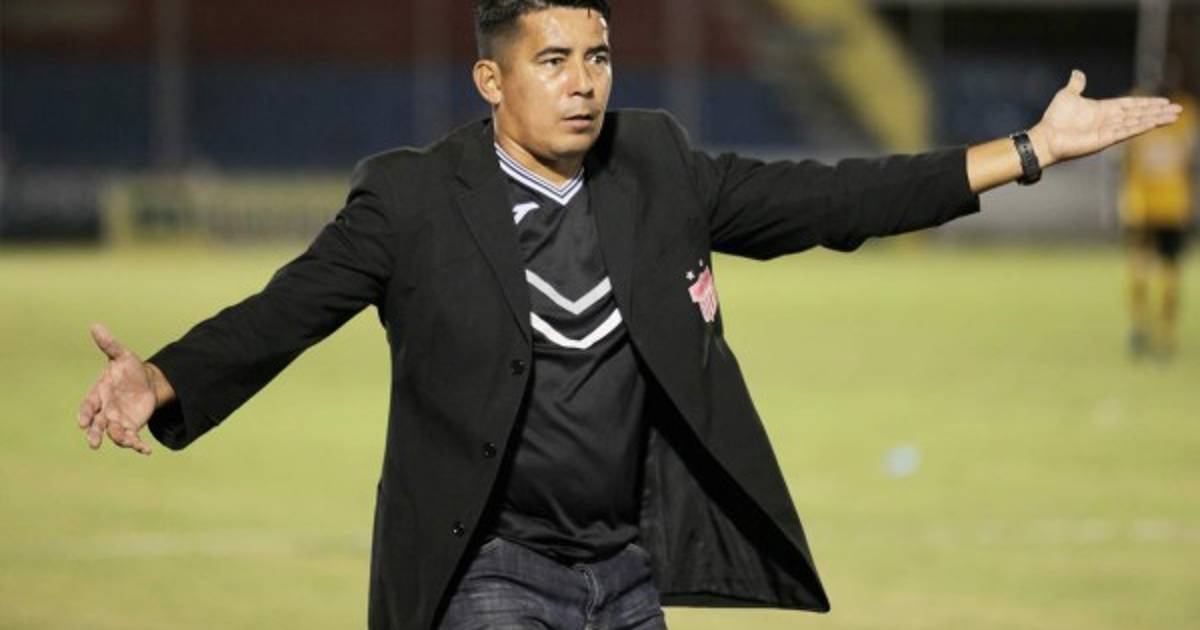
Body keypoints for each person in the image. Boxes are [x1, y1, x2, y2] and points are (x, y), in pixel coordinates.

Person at [75, 1, 1182, 628]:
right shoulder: (414, 198)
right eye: (553, 61)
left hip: (626, 570)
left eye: (598, 57)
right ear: (490, 82)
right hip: (488, 571)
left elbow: (833, 199)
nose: (584, 82)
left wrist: (1029, 150)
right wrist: (160, 378)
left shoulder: (654, 163)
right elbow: (288, 309)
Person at [1119, 82, 1195, 360]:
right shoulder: (1185, 113)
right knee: (1167, 268)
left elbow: (1121, 157)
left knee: (1142, 264)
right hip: (1170, 204)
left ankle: (1142, 326)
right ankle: (1163, 333)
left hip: (1143, 204)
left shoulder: (1135, 110)